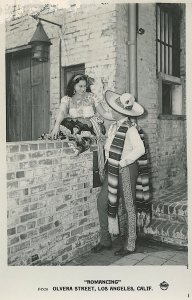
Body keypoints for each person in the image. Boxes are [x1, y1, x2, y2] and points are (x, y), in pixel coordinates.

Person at [92, 90, 146, 256]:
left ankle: (130, 245)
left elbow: (140, 149)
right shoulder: (114, 126)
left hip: (126, 169)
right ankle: (105, 240)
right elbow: (109, 147)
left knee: (129, 207)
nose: (111, 111)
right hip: (113, 169)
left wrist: (124, 162)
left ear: (120, 112)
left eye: (113, 109)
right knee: (102, 202)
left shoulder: (130, 129)